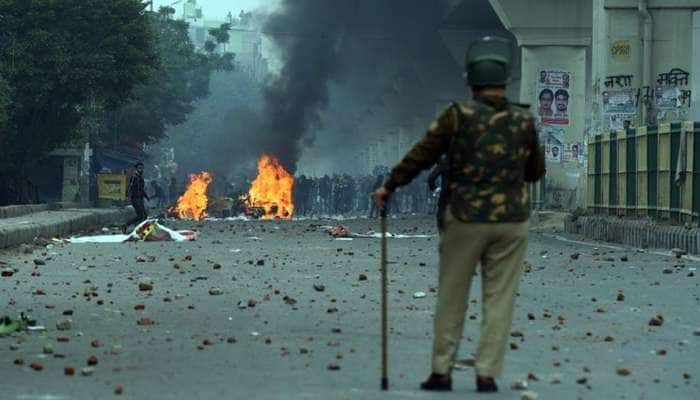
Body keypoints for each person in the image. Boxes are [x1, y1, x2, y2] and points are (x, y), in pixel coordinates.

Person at [373, 36, 545, 393]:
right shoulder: (524, 120)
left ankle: (442, 371)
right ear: (505, 81)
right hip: (511, 220)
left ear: (471, 81)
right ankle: (486, 373)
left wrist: (389, 186)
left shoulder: (457, 116)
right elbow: (535, 172)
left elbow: (421, 154)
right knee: (499, 299)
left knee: (452, 294)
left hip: (465, 218)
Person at [123, 162, 150, 233]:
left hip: (140, 198)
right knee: (141, 215)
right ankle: (127, 225)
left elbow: (141, 189)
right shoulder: (134, 176)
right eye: (139, 168)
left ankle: (140, 229)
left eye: (142, 168)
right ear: (136, 168)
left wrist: (146, 196)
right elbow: (130, 185)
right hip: (135, 198)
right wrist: (127, 194)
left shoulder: (141, 177)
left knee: (144, 215)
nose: (141, 169)